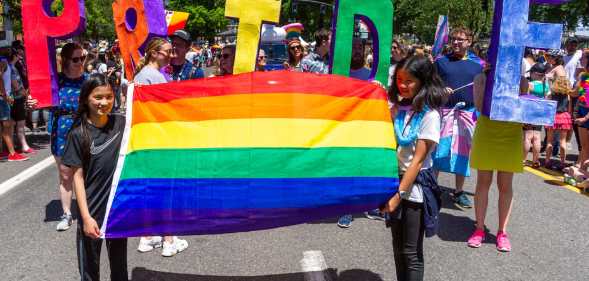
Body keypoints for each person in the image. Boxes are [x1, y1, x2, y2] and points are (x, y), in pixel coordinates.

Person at [381, 55, 444, 281]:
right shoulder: (398, 109)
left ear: (423, 81)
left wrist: (398, 195)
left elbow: (417, 161)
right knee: (397, 249)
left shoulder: (430, 115)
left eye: (409, 81)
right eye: (399, 80)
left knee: (411, 252)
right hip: (395, 181)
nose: (403, 85)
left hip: (414, 189)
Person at [63, 74, 128, 281]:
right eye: (98, 97)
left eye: (109, 97)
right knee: (90, 271)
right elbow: (77, 178)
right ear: (86, 99)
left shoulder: (122, 123)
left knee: (119, 267)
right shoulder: (78, 134)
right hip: (92, 212)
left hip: (117, 210)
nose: (104, 102)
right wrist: (86, 217)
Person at [133, 37, 189, 257]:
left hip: (147, 140)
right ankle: (168, 239)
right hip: (160, 140)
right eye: (167, 51)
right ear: (155, 53)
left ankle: (147, 237)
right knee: (167, 189)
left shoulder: (142, 75)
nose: (171, 55)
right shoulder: (153, 77)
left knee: (152, 188)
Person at [468, 69, 528, 253]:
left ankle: (502, 232)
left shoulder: (522, 80)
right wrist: (487, 81)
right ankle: (479, 228)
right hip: (487, 129)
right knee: (483, 182)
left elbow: (522, 108)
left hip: (511, 133)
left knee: (505, 185)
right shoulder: (481, 77)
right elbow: (479, 106)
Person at [432, 27, 484, 209]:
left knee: (463, 153)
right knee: (438, 150)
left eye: (460, 40)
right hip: (444, 113)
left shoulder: (480, 65)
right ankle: (432, 186)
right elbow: (430, 85)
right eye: (453, 39)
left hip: (467, 115)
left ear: (469, 42)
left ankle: (459, 191)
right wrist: (440, 91)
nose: (455, 42)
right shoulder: (440, 62)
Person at [337, 38, 385, 228]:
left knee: (367, 168)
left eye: (360, 47)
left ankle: (369, 205)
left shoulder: (371, 75)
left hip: (368, 127)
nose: (357, 51)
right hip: (346, 126)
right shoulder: (339, 73)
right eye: (353, 47)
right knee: (348, 168)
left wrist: (379, 90)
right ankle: (346, 208)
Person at [51, 43, 88, 231]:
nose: (80, 62)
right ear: (65, 60)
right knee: (65, 175)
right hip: (61, 131)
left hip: (84, 130)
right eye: (76, 59)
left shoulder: (89, 80)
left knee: (84, 173)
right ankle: (66, 213)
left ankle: (87, 211)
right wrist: (32, 102)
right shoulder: (56, 82)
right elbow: (39, 102)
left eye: (83, 58)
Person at [0, 48, 28, 161]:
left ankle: (2, 152)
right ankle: (12, 154)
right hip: (2, 98)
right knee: (7, 126)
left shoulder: (4, 62)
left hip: (3, 97)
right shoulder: (3, 62)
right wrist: (5, 96)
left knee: (7, 124)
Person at [523, 63, 550, 168]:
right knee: (537, 137)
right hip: (540, 113)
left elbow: (526, 98)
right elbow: (547, 100)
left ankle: (523, 159)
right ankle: (535, 160)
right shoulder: (546, 86)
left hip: (529, 112)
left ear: (534, 73)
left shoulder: (530, 84)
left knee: (527, 136)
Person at [544, 76, 573, 170]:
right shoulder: (568, 95)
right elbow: (569, 109)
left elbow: (547, 105)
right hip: (564, 117)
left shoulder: (551, 94)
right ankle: (562, 162)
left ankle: (547, 161)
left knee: (549, 141)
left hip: (553, 116)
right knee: (563, 141)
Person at [9, 49, 35, 154]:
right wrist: (25, 93)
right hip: (17, 98)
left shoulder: (11, 67)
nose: (20, 57)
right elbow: (15, 86)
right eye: (18, 55)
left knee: (13, 124)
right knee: (20, 124)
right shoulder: (11, 68)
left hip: (13, 99)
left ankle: (14, 146)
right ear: (14, 56)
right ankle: (23, 146)